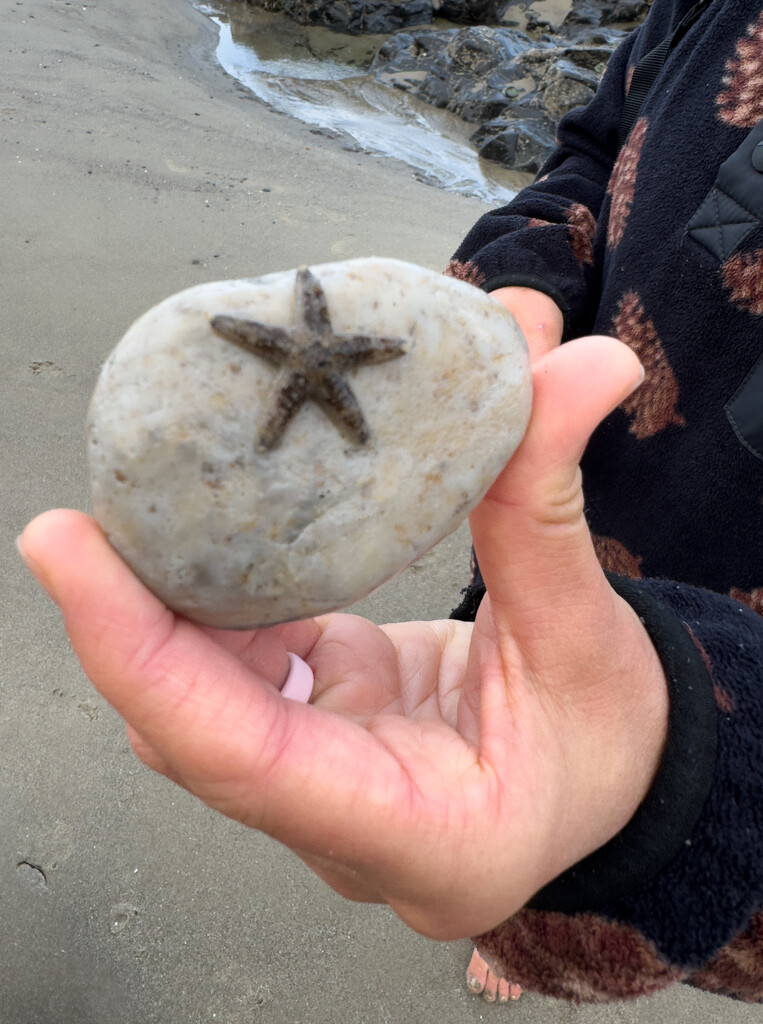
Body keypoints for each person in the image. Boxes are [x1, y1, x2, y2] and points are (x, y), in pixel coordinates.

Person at [17, 0, 763, 1004]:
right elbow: (592, 146)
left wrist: (679, 774)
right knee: (500, 635)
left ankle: (565, 862)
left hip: (720, 666)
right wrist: (524, 285)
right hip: (557, 501)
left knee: (565, 783)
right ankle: (519, 874)